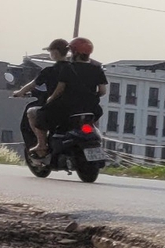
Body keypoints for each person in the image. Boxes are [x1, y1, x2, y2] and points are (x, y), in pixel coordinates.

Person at [25, 36, 106, 164]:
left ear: (74, 52)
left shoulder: (68, 68)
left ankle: (41, 145)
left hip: (68, 109)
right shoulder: (97, 68)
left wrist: (50, 99)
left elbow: (60, 89)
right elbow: (102, 91)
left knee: (39, 115)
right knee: (92, 122)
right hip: (92, 109)